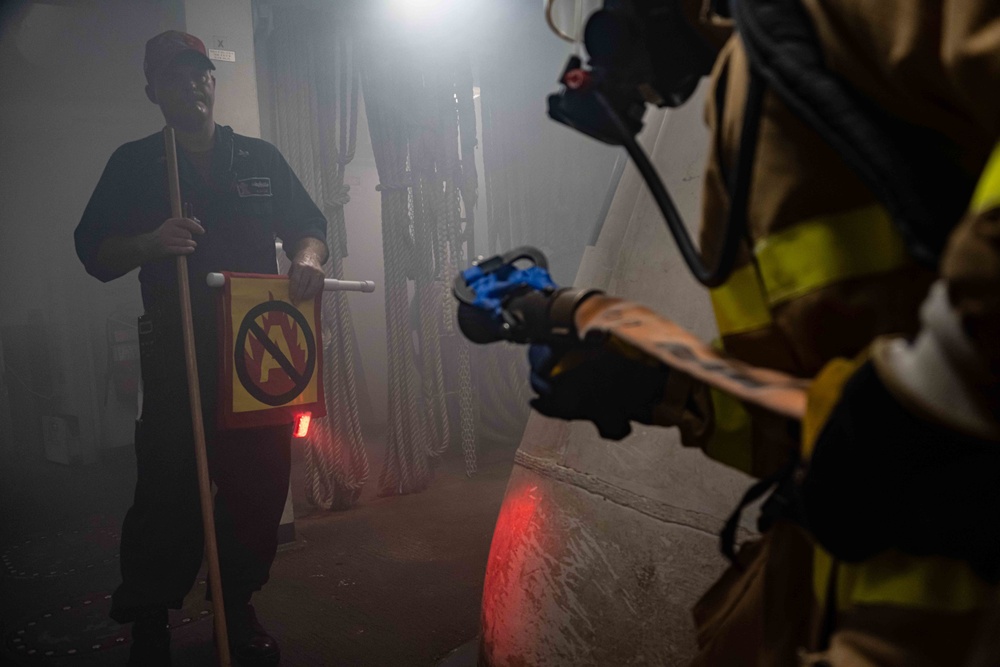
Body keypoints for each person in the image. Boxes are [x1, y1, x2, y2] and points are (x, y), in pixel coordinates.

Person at [528, 1, 1000, 664]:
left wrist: (937, 384)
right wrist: (655, 386)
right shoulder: (749, 97)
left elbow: (881, 420)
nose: (602, 42)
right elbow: (826, 416)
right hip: (869, 602)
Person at [74, 30, 328, 666]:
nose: (191, 83)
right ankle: (151, 617)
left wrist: (306, 259)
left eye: (200, 73)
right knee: (168, 486)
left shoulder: (259, 158)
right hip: (176, 348)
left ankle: (236, 600)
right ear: (153, 91)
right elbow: (93, 253)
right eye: (175, 76)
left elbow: (310, 228)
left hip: (255, 353)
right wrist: (150, 243)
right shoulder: (135, 164)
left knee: (260, 482)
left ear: (213, 82)